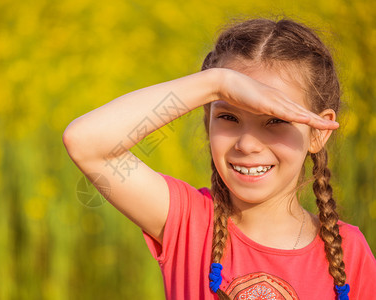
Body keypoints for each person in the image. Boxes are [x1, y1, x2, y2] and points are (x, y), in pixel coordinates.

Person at [63, 18, 376, 299]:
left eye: (275, 120)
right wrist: (216, 84)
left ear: (318, 132)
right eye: (228, 116)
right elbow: (86, 143)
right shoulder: (187, 221)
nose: (248, 143)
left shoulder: (350, 253)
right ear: (207, 121)